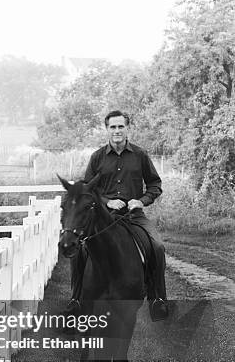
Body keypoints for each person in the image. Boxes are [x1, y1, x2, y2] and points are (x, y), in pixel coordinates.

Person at [67, 109, 169, 321]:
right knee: (80, 248)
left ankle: (157, 300)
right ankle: (75, 300)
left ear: (127, 128)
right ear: (107, 129)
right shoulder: (97, 157)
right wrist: (106, 201)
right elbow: (86, 189)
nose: (117, 131)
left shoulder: (140, 155)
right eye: (112, 127)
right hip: (104, 217)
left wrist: (140, 201)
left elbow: (155, 185)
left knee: (157, 246)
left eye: (120, 126)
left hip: (134, 216)